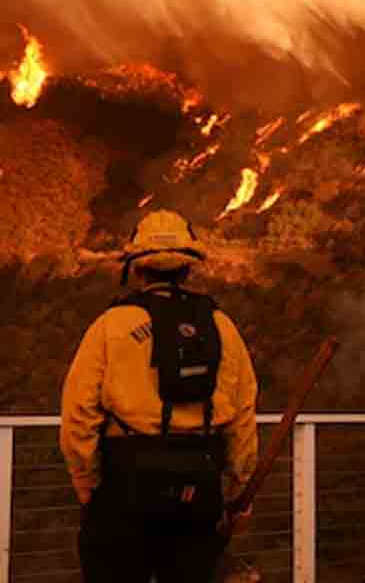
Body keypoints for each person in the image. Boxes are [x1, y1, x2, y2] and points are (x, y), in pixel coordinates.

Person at [61, 210, 259, 583]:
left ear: (136, 268)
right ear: (189, 268)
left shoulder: (110, 327)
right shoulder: (221, 326)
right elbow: (243, 414)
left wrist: (88, 487)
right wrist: (236, 490)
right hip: (199, 490)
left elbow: (78, 415)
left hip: (125, 488)